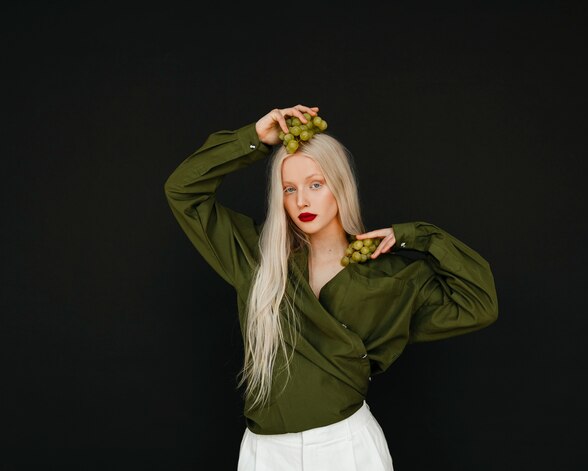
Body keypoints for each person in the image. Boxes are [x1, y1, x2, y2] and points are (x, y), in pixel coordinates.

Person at [163, 104, 499, 470]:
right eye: (289, 189)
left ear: (339, 186)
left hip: (348, 447)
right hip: (267, 453)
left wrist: (417, 236)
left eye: (315, 184)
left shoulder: (389, 277)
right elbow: (183, 191)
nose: (301, 200)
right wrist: (254, 139)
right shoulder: (256, 258)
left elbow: (479, 304)